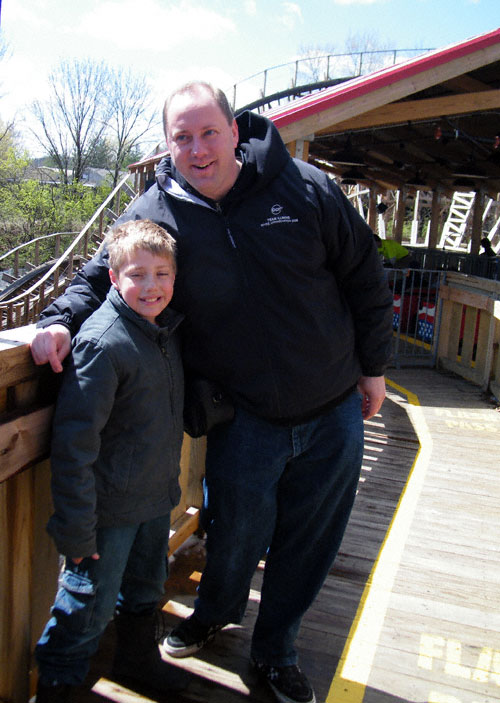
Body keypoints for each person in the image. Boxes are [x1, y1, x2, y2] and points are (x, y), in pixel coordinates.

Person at [31, 81, 394, 703]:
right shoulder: (157, 209)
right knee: (233, 536)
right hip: (244, 415)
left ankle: (276, 652)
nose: (197, 149)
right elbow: (103, 273)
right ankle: (211, 615)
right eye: (182, 137)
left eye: (208, 133)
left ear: (234, 131)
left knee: (310, 543)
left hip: (334, 403)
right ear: (168, 145)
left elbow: (364, 274)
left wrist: (374, 368)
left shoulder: (305, 188)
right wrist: (58, 319)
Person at [34, 220, 188, 702]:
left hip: (149, 501)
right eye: (137, 274)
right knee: (87, 607)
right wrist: (76, 529)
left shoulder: (161, 333)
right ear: (113, 276)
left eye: (162, 274)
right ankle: (59, 684)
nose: (151, 286)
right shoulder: (102, 343)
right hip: (105, 516)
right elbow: (75, 447)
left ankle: (136, 659)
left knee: (145, 589)